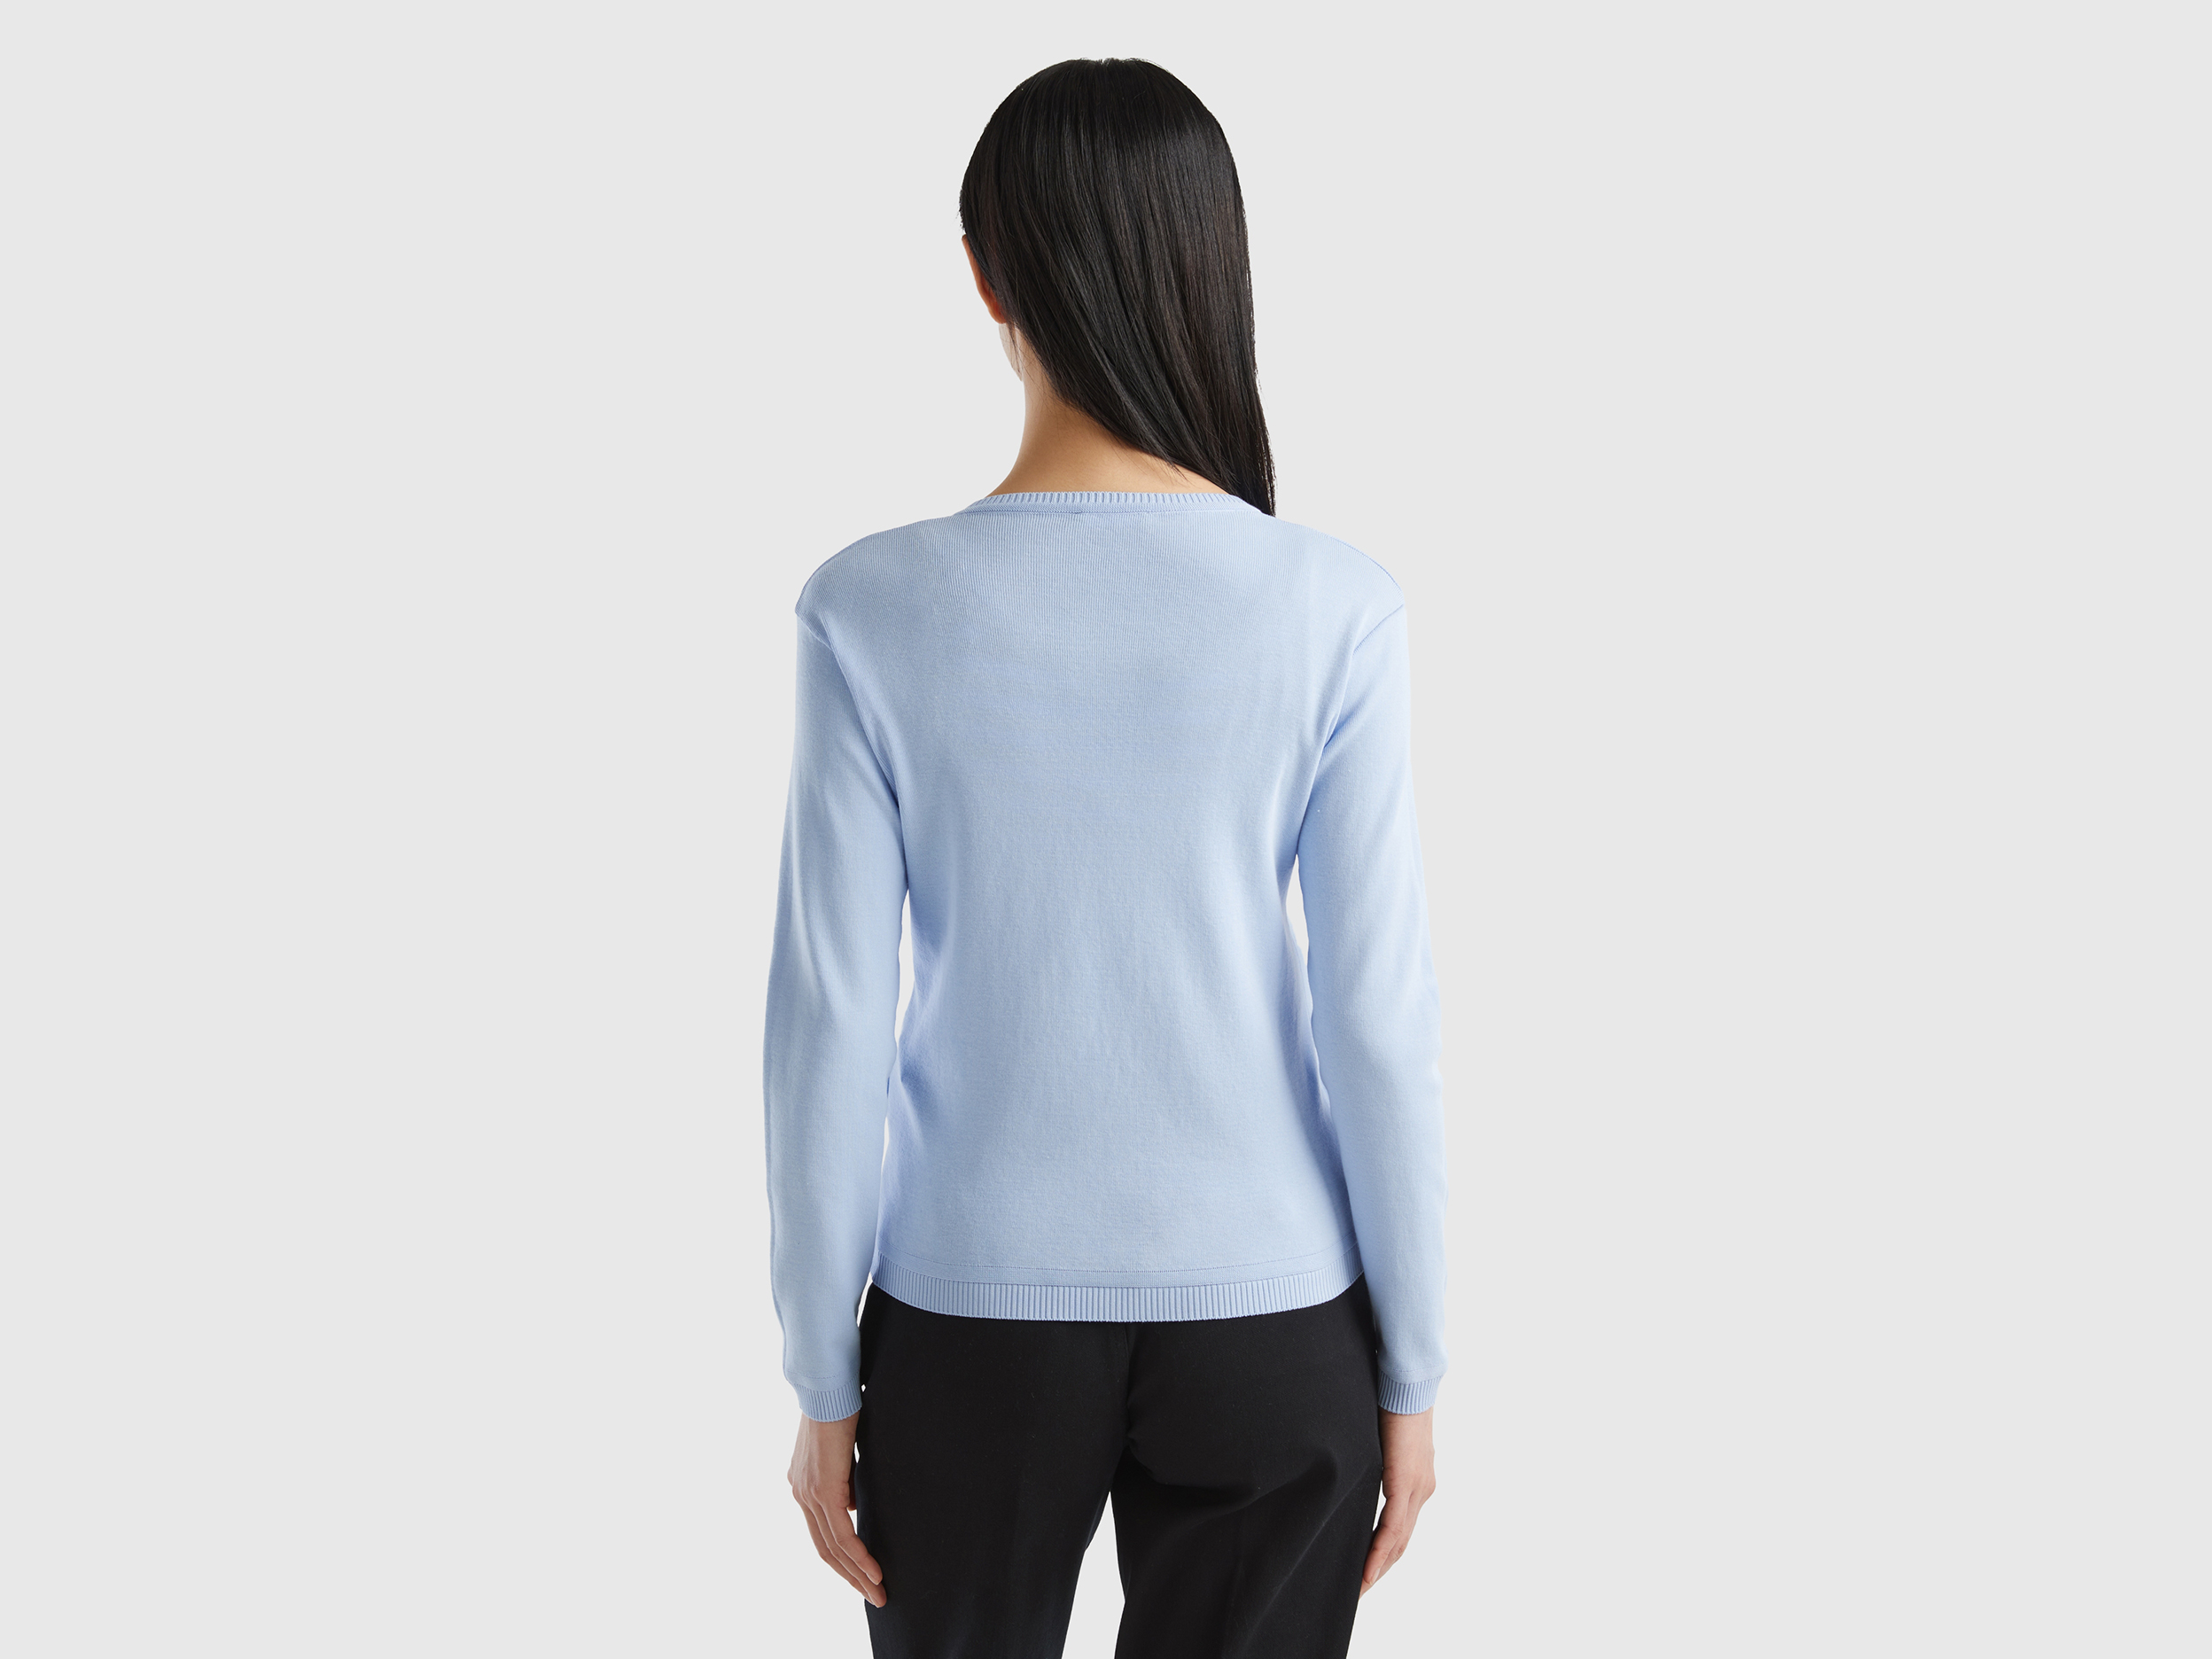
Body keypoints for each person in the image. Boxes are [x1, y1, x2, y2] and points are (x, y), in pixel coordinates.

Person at [765, 57, 1447, 1659]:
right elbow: (1377, 1020)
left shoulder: (869, 608)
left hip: (965, 1320)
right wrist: (1413, 1368)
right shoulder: (1336, 607)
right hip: (1275, 1323)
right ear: (1213, 265)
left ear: (985, 277)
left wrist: (821, 1380)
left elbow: (830, 1025)